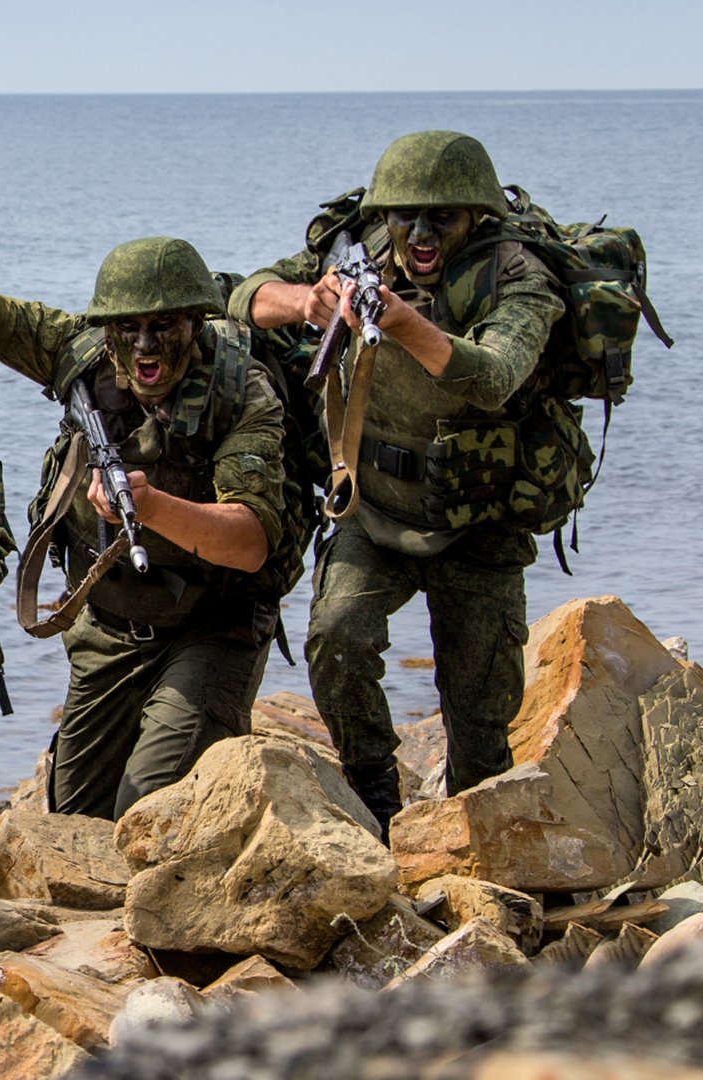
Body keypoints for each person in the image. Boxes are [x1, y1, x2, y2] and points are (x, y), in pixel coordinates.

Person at [0, 218, 291, 819]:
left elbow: (251, 540)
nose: (145, 346)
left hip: (212, 624)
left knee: (150, 801)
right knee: (73, 818)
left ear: (196, 322)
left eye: (164, 327)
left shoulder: (241, 394)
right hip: (108, 628)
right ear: (108, 328)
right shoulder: (79, 350)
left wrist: (151, 506)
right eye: (128, 328)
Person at [228, 131, 564, 838]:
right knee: (336, 641)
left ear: (476, 215)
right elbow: (243, 297)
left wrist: (404, 323)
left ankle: (479, 850)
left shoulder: (519, 275)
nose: (421, 235)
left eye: (442, 218)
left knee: (480, 719)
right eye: (405, 216)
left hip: (479, 522)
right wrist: (307, 301)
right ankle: (377, 798)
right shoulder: (360, 249)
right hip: (374, 508)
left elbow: (496, 376)